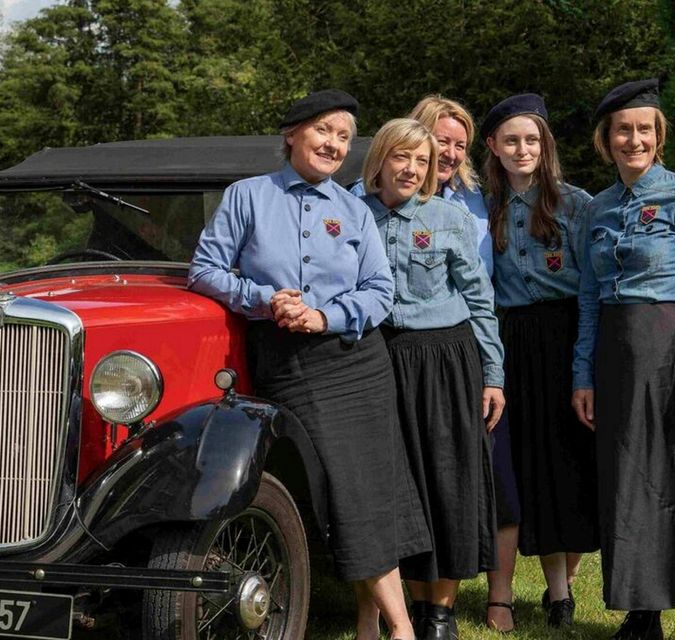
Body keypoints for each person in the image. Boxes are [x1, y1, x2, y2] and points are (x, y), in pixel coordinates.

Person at [188, 90, 432, 640]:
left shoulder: (352, 209)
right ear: (293, 134)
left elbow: (380, 291)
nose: (333, 144)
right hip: (289, 364)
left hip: (357, 363)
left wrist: (327, 316)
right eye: (324, 131)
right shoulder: (247, 196)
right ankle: (394, 624)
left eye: (344, 137)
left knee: (372, 489)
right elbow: (204, 270)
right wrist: (263, 300)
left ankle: (389, 625)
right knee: (344, 493)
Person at [571, 79, 675, 640]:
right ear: (605, 140)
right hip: (614, 352)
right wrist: (582, 374)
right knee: (626, 482)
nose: (633, 140)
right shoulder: (599, 208)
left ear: (659, 137)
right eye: (622, 130)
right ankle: (642, 612)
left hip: (667, 350)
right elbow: (588, 298)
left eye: (644, 130)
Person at [360, 117, 505, 640]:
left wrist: (493, 374)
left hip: (446, 359)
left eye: (422, 161)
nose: (412, 169)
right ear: (381, 158)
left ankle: (440, 613)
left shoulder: (447, 217)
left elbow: (480, 299)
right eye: (403, 157)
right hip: (381, 360)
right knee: (405, 485)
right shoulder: (354, 214)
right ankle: (412, 604)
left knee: (448, 481)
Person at [482, 93, 599, 629]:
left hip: (568, 332)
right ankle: (555, 595)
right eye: (511, 140)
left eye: (531, 139)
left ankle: (564, 587)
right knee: (531, 467)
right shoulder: (484, 206)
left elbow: (593, 289)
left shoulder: (577, 204)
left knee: (569, 464)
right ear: (494, 148)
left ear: (545, 145)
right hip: (515, 340)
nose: (522, 148)